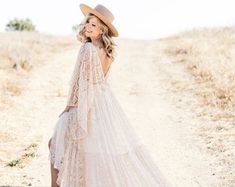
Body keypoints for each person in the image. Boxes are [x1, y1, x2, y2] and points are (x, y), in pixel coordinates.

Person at [48, 3, 173, 187]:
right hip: (103, 108)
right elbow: (101, 84)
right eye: (87, 22)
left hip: (84, 105)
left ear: (101, 30)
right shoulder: (108, 52)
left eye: (93, 25)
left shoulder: (86, 49)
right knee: (91, 154)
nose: (87, 27)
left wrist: (68, 109)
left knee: (55, 145)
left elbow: (79, 84)